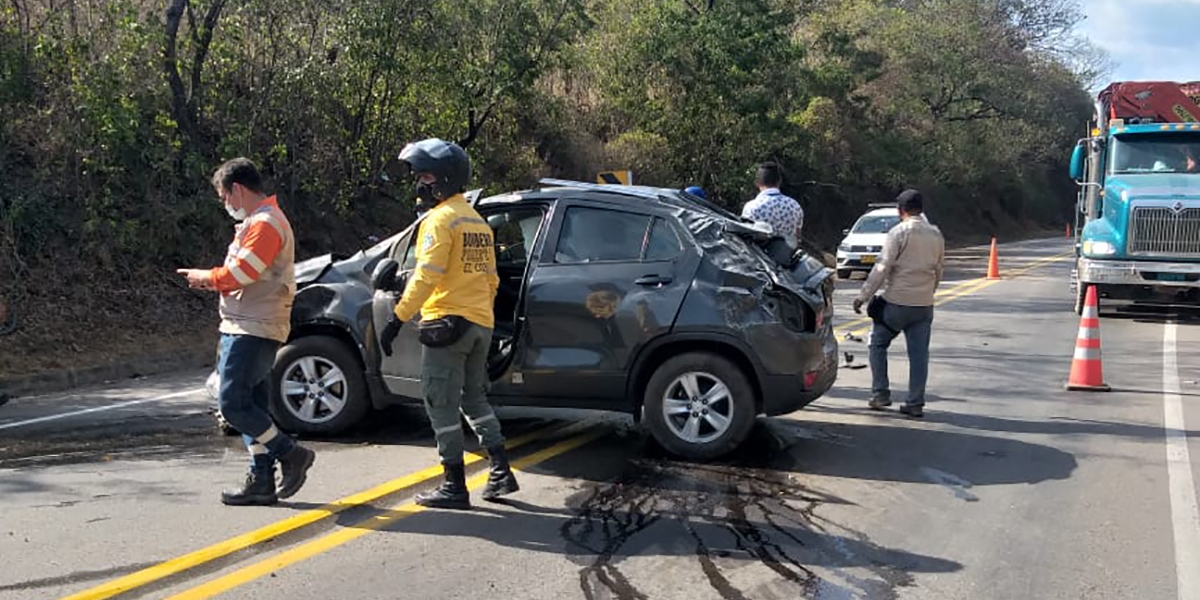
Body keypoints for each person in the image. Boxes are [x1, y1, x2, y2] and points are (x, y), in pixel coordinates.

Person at [378, 138, 517, 510]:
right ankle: (501, 468)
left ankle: (454, 485)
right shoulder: (477, 222)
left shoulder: (439, 220)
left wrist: (397, 317)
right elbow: (491, 279)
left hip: (447, 322)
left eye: (423, 175)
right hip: (479, 324)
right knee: (474, 396)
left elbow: (426, 275)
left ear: (441, 178)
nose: (418, 184)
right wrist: (480, 315)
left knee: (439, 401)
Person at [177, 158, 315, 505]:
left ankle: (290, 453)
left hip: (254, 326)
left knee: (233, 404)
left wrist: (205, 277)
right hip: (245, 323)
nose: (225, 204)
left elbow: (242, 273)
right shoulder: (256, 222)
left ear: (236, 189)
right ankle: (261, 479)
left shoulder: (266, 224)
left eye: (224, 196)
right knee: (254, 405)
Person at [852, 189, 945, 418]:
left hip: (896, 303)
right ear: (921, 209)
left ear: (900, 211)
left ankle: (881, 393)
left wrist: (863, 297)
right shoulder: (936, 235)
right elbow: (938, 270)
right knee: (919, 355)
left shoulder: (898, 232)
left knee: (876, 343)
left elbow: (881, 268)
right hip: (923, 306)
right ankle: (915, 403)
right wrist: (928, 293)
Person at [741, 162, 803, 248]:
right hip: (785, 259)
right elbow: (797, 238)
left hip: (758, 259)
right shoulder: (795, 206)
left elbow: (744, 241)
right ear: (779, 181)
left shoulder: (751, 207)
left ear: (756, 183)